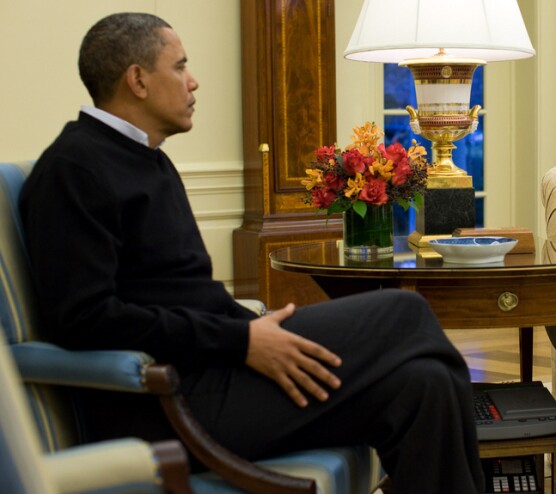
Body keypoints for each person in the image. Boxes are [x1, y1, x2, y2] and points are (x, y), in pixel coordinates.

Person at [19, 12, 483, 493]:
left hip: (216, 368)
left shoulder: (145, 159)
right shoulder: (73, 169)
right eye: (179, 67)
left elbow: (182, 292)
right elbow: (84, 318)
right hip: (169, 401)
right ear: (137, 79)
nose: (193, 81)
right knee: (406, 311)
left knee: (424, 384)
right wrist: (240, 341)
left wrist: (246, 330)